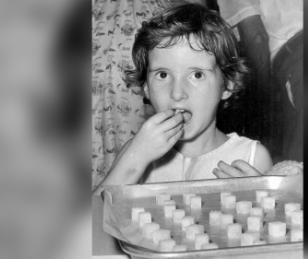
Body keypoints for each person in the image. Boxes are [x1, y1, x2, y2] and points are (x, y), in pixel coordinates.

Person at [96, 3, 272, 188]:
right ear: (146, 86)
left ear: (227, 85)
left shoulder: (251, 158)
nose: (177, 93)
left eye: (197, 75)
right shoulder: (136, 152)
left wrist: (257, 199)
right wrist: (133, 161)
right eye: (163, 75)